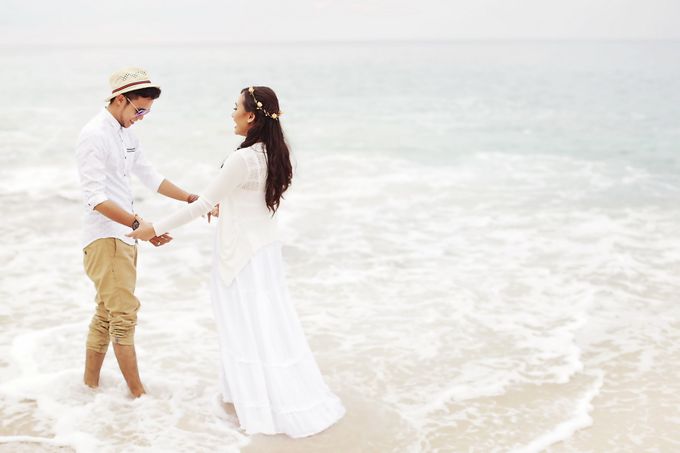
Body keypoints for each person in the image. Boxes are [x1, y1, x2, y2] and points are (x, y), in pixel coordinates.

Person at [128, 86, 345, 437]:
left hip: (240, 256)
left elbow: (202, 204)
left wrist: (154, 228)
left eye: (235, 108)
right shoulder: (275, 153)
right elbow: (249, 199)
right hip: (265, 252)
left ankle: (258, 408)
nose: (231, 114)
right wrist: (223, 206)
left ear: (251, 117)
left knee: (244, 329)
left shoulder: (242, 158)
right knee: (266, 326)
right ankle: (255, 398)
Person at [75, 67, 198, 398]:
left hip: (124, 235)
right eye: (139, 110)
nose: (142, 117)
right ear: (119, 100)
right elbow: (95, 198)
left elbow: (151, 177)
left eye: (147, 112)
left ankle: (89, 388)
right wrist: (137, 226)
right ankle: (139, 397)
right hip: (106, 236)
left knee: (106, 314)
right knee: (124, 317)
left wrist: (192, 199)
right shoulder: (94, 134)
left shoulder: (128, 134)